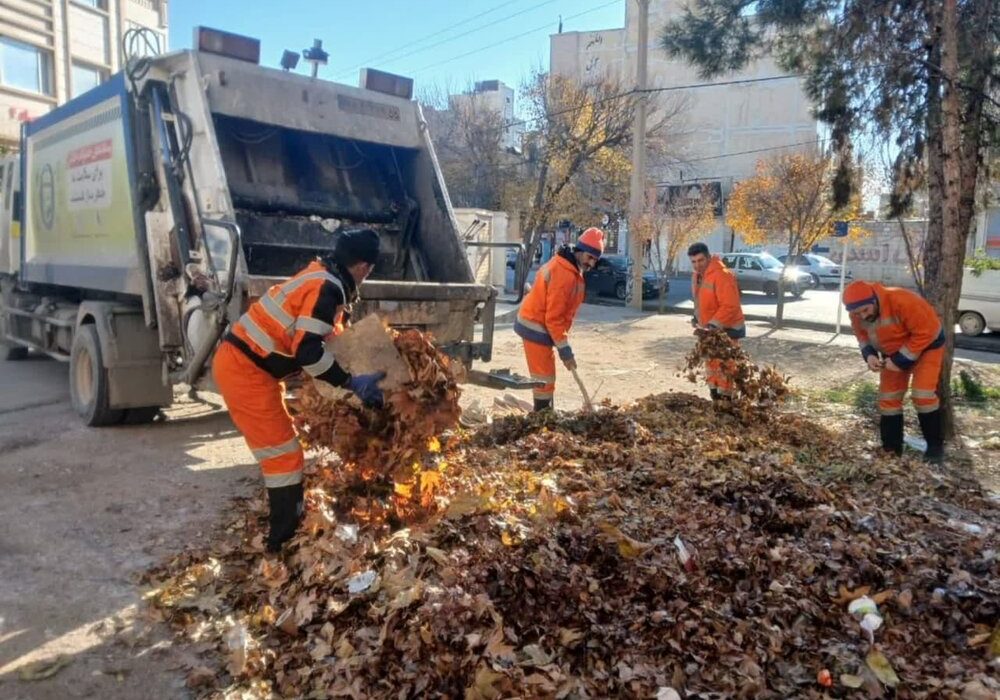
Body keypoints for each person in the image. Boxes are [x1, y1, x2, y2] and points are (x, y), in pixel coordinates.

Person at [213, 229, 387, 552]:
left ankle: (288, 526)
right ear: (364, 267)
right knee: (284, 456)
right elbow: (308, 351)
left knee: (286, 452)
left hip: (252, 367)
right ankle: (282, 542)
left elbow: (325, 339)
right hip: (244, 370)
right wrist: (350, 383)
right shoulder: (328, 288)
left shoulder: (321, 275)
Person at [843, 280, 945, 463]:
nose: (863, 316)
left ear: (874, 299)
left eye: (865, 310)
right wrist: (870, 355)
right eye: (857, 313)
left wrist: (900, 360)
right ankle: (891, 449)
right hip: (892, 354)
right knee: (888, 399)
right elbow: (862, 336)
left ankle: (935, 449)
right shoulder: (856, 314)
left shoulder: (902, 300)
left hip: (928, 347)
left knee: (923, 395)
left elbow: (926, 332)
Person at [514, 227, 604, 411]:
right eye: (589, 257)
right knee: (544, 378)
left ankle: (547, 413)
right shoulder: (565, 274)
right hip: (535, 327)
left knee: (546, 377)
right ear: (579, 251)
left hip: (540, 326)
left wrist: (562, 344)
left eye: (595, 259)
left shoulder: (569, 267)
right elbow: (554, 318)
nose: (592, 263)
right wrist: (565, 349)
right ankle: (543, 418)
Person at [687, 242, 745, 400]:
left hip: (727, 330)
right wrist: (696, 318)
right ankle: (715, 397)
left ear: (708, 257)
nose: (697, 265)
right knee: (711, 365)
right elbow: (700, 301)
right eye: (693, 262)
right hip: (710, 330)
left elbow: (730, 306)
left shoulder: (722, 275)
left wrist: (713, 325)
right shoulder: (697, 276)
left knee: (724, 367)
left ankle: (726, 402)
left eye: (700, 260)